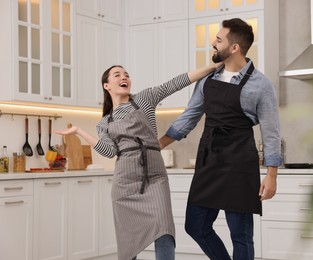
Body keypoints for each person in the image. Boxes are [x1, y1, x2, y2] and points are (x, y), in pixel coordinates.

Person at [55, 63, 222, 260]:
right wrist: (80, 132)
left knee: (164, 230)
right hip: (124, 182)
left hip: (154, 175)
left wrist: (215, 65)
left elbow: (177, 82)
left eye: (126, 74)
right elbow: (109, 151)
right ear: (106, 85)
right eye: (117, 75)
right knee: (128, 241)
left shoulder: (144, 99)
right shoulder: (104, 123)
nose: (123, 77)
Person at [159, 18, 282, 260]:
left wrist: (272, 174)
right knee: (195, 226)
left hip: (239, 163)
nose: (212, 44)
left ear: (234, 47)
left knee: (241, 236)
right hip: (209, 161)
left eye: (218, 39)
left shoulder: (261, 85)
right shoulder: (208, 79)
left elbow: (271, 131)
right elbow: (190, 116)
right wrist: (158, 144)